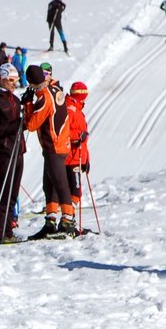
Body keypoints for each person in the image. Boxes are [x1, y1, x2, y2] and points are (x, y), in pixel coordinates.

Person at [22, 64, 74, 239]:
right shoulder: (54, 89)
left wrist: (27, 104)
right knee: (49, 184)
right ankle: (50, 221)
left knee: (59, 183)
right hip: (58, 143)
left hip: (54, 145)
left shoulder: (44, 99)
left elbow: (31, 124)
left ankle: (67, 221)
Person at [0, 63, 27, 243]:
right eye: (11, 80)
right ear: (2, 78)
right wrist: (18, 124)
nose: (15, 83)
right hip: (4, 152)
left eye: (16, 80)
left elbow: (21, 122)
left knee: (13, 194)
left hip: (18, 151)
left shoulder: (14, 99)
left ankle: (9, 230)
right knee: (4, 193)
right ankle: (3, 233)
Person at [65, 81, 90, 234]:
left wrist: (87, 159)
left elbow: (84, 138)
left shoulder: (77, 108)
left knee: (74, 192)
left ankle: (69, 220)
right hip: (71, 157)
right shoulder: (71, 109)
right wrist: (77, 136)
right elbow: (63, 131)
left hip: (78, 156)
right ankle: (67, 220)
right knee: (75, 192)